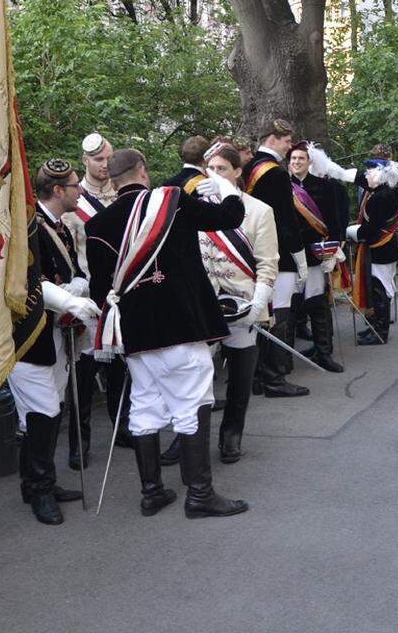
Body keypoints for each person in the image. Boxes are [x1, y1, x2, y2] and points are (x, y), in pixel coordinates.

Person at [86, 148, 249, 518]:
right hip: (182, 324)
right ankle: (200, 495)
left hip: (136, 332)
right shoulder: (171, 201)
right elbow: (230, 216)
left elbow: (100, 291)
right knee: (194, 402)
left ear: (111, 180)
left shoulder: (98, 225)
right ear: (143, 171)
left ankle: (152, 492)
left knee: (143, 406)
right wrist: (225, 185)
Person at [10, 160, 101, 525]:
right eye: (76, 186)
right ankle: (41, 491)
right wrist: (69, 297)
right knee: (44, 413)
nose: (81, 191)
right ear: (59, 191)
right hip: (28, 338)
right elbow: (25, 282)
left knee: (51, 410)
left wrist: (76, 288)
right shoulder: (27, 228)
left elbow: (74, 274)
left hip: (58, 333)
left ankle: (34, 482)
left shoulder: (60, 226)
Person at [197, 145, 279, 459]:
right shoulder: (195, 208)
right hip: (203, 305)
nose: (215, 175)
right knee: (197, 377)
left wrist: (258, 304)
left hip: (241, 307)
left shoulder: (259, 210)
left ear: (237, 172)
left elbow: (267, 263)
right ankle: (189, 436)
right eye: (211, 169)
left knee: (240, 379)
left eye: (222, 169)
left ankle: (231, 434)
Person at [62, 131, 131, 469]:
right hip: (90, 298)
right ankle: (80, 442)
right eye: (98, 160)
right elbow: (68, 253)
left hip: (124, 292)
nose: (105, 165)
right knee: (85, 375)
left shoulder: (125, 192)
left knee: (122, 367)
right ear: (85, 161)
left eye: (108, 158)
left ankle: (124, 427)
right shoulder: (75, 202)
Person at [243, 119, 309, 397]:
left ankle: (257, 377)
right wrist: (300, 257)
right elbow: (286, 220)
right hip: (277, 256)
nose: (288, 147)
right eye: (285, 141)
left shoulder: (246, 167)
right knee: (278, 316)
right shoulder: (277, 174)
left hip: (250, 252)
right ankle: (275, 379)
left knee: (259, 316)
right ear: (272, 139)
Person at [289, 141, 346, 372]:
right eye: (292, 159)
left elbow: (335, 220)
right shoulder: (284, 186)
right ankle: (284, 359)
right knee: (291, 308)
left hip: (317, 254)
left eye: (301, 159)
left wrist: (333, 250)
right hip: (291, 255)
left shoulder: (325, 186)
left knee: (318, 303)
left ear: (309, 161)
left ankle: (324, 353)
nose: (296, 163)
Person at [346, 159, 398, 345]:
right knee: (376, 287)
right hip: (385, 249)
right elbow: (361, 180)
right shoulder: (388, 190)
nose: (366, 176)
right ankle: (374, 326)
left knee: (379, 289)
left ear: (380, 175)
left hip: (380, 249)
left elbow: (371, 229)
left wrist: (350, 232)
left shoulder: (381, 197)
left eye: (369, 172)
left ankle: (380, 332)